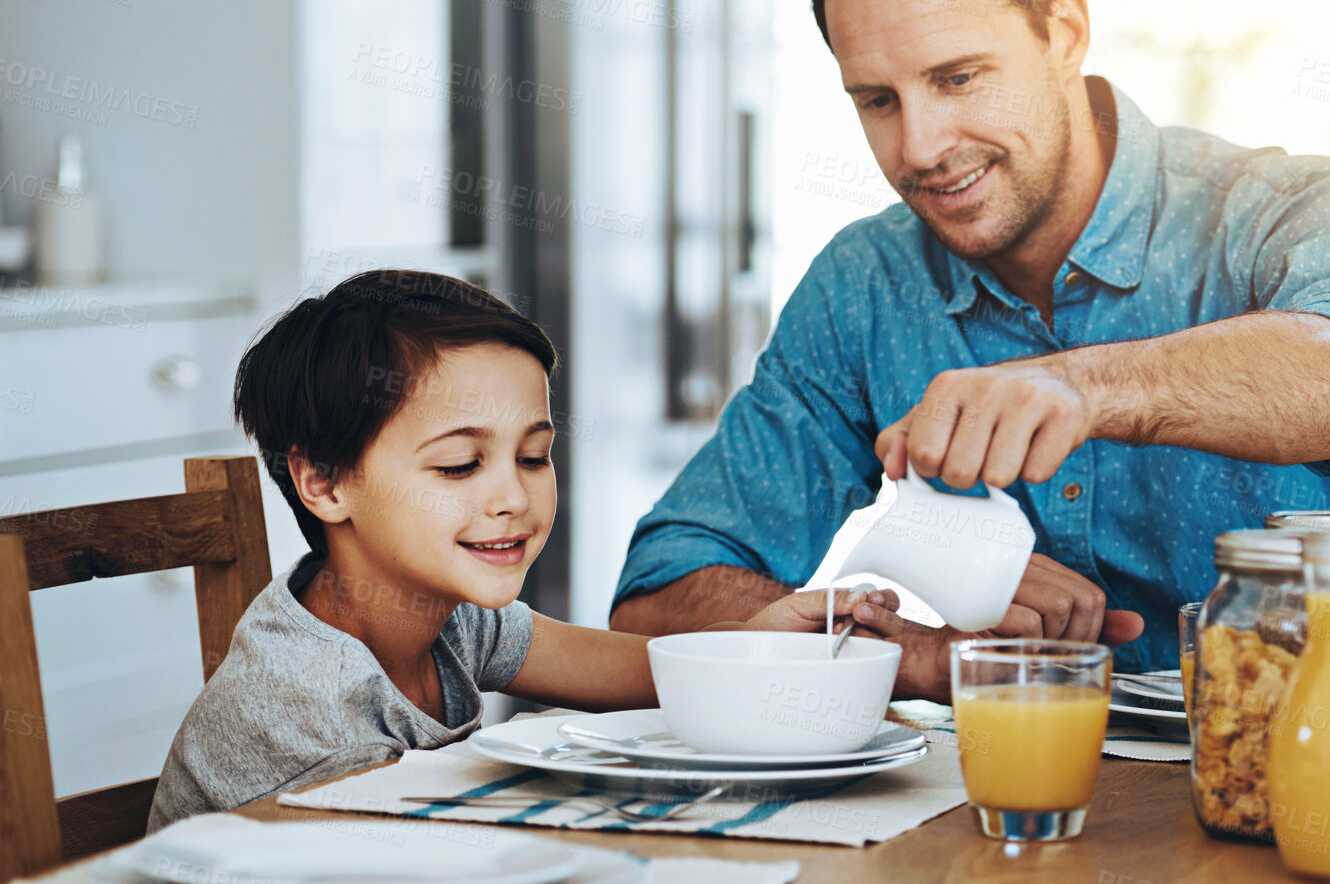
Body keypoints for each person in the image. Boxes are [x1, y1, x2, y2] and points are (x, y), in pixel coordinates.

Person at [610, 0, 1330, 702]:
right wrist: (896, 649)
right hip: (1010, 806)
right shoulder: (864, 284)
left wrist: (1082, 388)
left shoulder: (1289, 206)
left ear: (1064, 32)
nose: (920, 147)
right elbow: (656, 597)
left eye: (958, 77)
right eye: (877, 100)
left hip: (1318, 771)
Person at [148, 270, 897, 830]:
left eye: (533, 456)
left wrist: (753, 641)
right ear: (324, 482)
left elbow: (636, 669)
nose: (512, 497)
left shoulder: (443, 617)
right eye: (458, 466)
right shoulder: (308, 710)